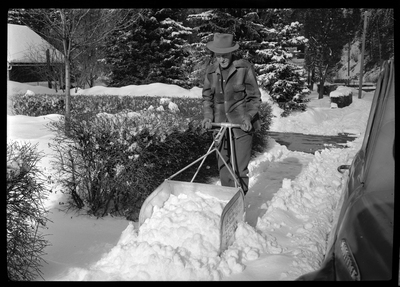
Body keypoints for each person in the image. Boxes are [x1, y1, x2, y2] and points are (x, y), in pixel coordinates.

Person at [201, 33, 261, 195]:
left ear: (232, 53)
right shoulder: (211, 71)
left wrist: (248, 116)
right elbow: (207, 97)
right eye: (219, 55)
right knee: (224, 168)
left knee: (239, 169)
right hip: (219, 126)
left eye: (225, 55)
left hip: (241, 126)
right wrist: (208, 116)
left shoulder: (244, 68)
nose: (222, 59)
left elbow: (254, 97)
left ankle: (239, 202)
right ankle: (228, 200)